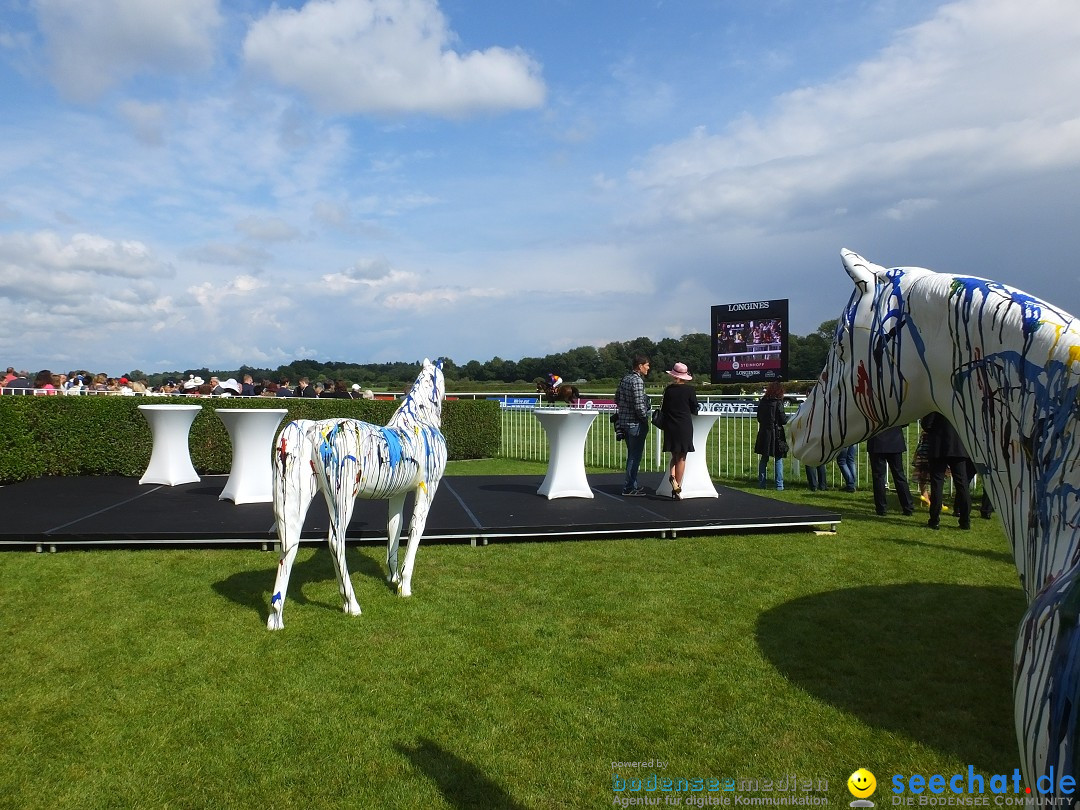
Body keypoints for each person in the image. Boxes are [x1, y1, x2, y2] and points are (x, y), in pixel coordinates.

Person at [922, 411, 972, 530]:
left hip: (938, 446)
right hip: (958, 446)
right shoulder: (962, 402)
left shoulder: (937, 403)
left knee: (937, 484)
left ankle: (934, 520)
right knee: (962, 484)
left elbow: (927, 424)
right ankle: (965, 520)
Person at [659, 362, 699, 499]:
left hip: (670, 426)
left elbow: (664, 409)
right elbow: (695, 409)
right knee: (682, 457)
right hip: (684, 426)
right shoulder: (690, 390)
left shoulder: (668, 390)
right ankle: (677, 487)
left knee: (674, 455)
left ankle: (672, 477)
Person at [614, 354, 651, 496]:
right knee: (635, 456)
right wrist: (644, 418)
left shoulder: (625, 378)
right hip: (635, 423)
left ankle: (632, 484)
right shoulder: (637, 381)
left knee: (632, 454)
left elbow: (616, 398)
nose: (648, 368)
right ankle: (629, 487)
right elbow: (639, 405)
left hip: (624, 422)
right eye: (647, 365)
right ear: (640, 366)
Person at [866, 426, 915, 516]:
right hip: (895, 440)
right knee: (899, 475)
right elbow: (904, 421)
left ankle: (881, 508)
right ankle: (908, 506)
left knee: (878, 477)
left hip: (877, 440)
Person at [754, 382, 788, 490]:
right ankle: (779, 485)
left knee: (764, 458)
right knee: (778, 459)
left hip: (764, 432)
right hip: (776, 433)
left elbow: (759, 417)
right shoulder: (778, 402)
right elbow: (783, 420)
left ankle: (762, 483)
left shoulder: (762, 402)